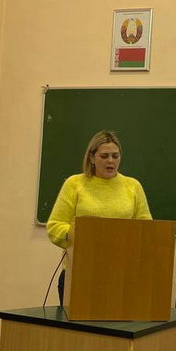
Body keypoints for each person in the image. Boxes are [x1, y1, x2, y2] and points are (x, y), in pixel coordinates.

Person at [46, 130, 152, 304]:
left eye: (115, 156)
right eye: (104, 156)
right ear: (92, 157)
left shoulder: (133, 186)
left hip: (122, 275)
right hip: (79, 273)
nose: (111, 161)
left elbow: (146, 229)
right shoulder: (75, 184)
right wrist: (84, 235)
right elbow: (55, 226)